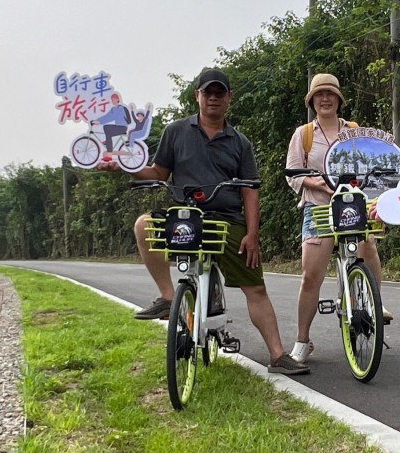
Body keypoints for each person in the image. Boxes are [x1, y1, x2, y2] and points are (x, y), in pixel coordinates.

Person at [102, 68, 310, 376]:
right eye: (207, 92)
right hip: (185, 215)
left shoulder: (240, 142)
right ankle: (168, 295)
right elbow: (159, 173)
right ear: (197, 96)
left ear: (229, 98)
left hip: (228, 220)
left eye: (219, 93)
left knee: (255, 287)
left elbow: (250, 190)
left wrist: (252, 234)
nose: (213, 97)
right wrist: (123, 166)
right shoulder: (176, 131)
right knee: (143, 225)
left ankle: (278, 355)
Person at [283, 73, 392, 364]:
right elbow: (293, 172)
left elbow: (376, 160)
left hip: (353, 204)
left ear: (339, 99)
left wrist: (397, 165)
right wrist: (314, 183)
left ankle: (373, 303)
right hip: (319, 208)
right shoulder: (304, 134)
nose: (326, 99)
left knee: (369, 246)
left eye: (331, 94)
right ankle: (302, 341)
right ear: (312, 101)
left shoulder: (355, 131)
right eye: (320, 95)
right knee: (311, 276)